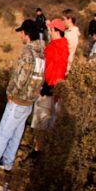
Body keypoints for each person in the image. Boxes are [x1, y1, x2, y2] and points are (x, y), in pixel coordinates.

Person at [0, 19, 45, 176]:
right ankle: (7, 163)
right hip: (30, 100)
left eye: (21, 32)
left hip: (18, 99)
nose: (20, 35)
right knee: (16, 133)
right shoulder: (41, 52)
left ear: (26, 34)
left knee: (4, 132)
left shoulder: (28, 52)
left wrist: (11, 93)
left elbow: (22, 76)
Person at [28, 19, 69, 158]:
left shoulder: (54, 47)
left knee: (41, 120)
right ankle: (41, 148)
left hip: (49, 88)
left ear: (56, 31)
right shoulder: (64, 45)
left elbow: (51, 69)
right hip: (57, 88)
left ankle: (37, 151)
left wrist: (46, 87)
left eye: (51, 30)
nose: (49, 32)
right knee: (49, 120)